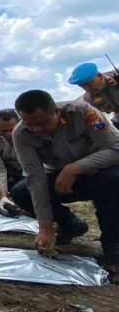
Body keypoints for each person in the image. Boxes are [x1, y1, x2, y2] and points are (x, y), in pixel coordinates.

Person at [11, 90, 119, 264]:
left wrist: (75, 168)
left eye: (42, 122)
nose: (36, 129)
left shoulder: (83, 112)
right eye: (29, 124)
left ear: (56, 111)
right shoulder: (21, 133)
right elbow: (35, 178)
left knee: (114, 180)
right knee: (21, 192)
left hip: (99, 173)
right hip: (61, 179)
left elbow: (116, 149)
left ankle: (113, 243)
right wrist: (44, 225)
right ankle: (70, 224)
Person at [69, 62, 119, 130]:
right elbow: (98, 122)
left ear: (100, 76)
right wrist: (97, 124)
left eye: (88, 84)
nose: (87, 89)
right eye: (82, 86)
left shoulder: (116, 76)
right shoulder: (89, 100)